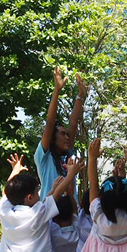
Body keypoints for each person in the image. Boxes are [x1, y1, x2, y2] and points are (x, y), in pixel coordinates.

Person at [35, 67, 87, 199]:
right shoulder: (44, 158)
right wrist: (57, 90)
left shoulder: (67, 156)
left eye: (67, 134)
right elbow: (50, 122)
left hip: (70, 215)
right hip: (50, 216)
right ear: (52, 137)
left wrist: (80, 96)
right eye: (62, 134)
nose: (67, 137)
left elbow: (74, 124)